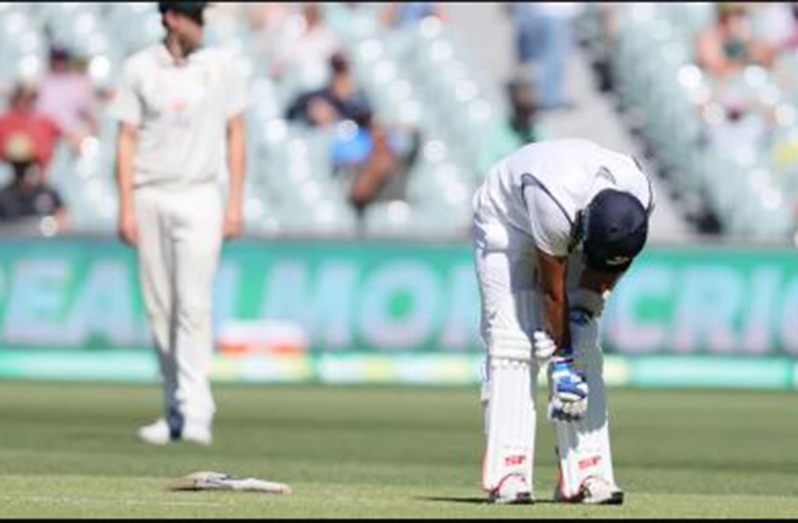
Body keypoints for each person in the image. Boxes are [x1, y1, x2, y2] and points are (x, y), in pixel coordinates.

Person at [471, 138, 654, 504]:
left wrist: (584, 311)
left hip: (569, 214)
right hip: (508, 222)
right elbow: (552, 294)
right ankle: (509, 471)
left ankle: (587, 471)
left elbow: (607, 271)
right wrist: (563, 358)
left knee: (584, 338)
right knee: (514, 337)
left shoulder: (641, 201)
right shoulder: (556, 207)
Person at [109, 1, 247, 446]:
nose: (200, 25)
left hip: (201, 194)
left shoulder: (220, 66)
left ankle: (196, 409)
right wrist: (126, 205)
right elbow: (126, 139)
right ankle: (173, 410)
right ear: (170, 18)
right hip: (151, 193)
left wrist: (235, 203)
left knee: (192, 305)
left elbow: (236, 133)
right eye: (194, 17)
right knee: (160, 309)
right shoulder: (138, 68)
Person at [0, 131, 68, 233]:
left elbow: (65, 224)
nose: (21, 171)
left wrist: (49, 226)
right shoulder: (3, 197)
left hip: (43, 246)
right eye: (17, 166)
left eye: (25, 165)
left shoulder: (48, 192)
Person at [35, 45, 98, 153]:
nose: (59, 62)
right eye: (56, 58)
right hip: (45, 131)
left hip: (70, 134)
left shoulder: (78, 81)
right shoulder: (40, 80)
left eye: (62, 58)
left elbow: (90, 113)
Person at [0, 83, 61, 173]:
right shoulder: (4, 121)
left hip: (37, 172)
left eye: (29, 98)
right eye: (21, 97)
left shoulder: (45, 121)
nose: (24, 101)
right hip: (9, 171)